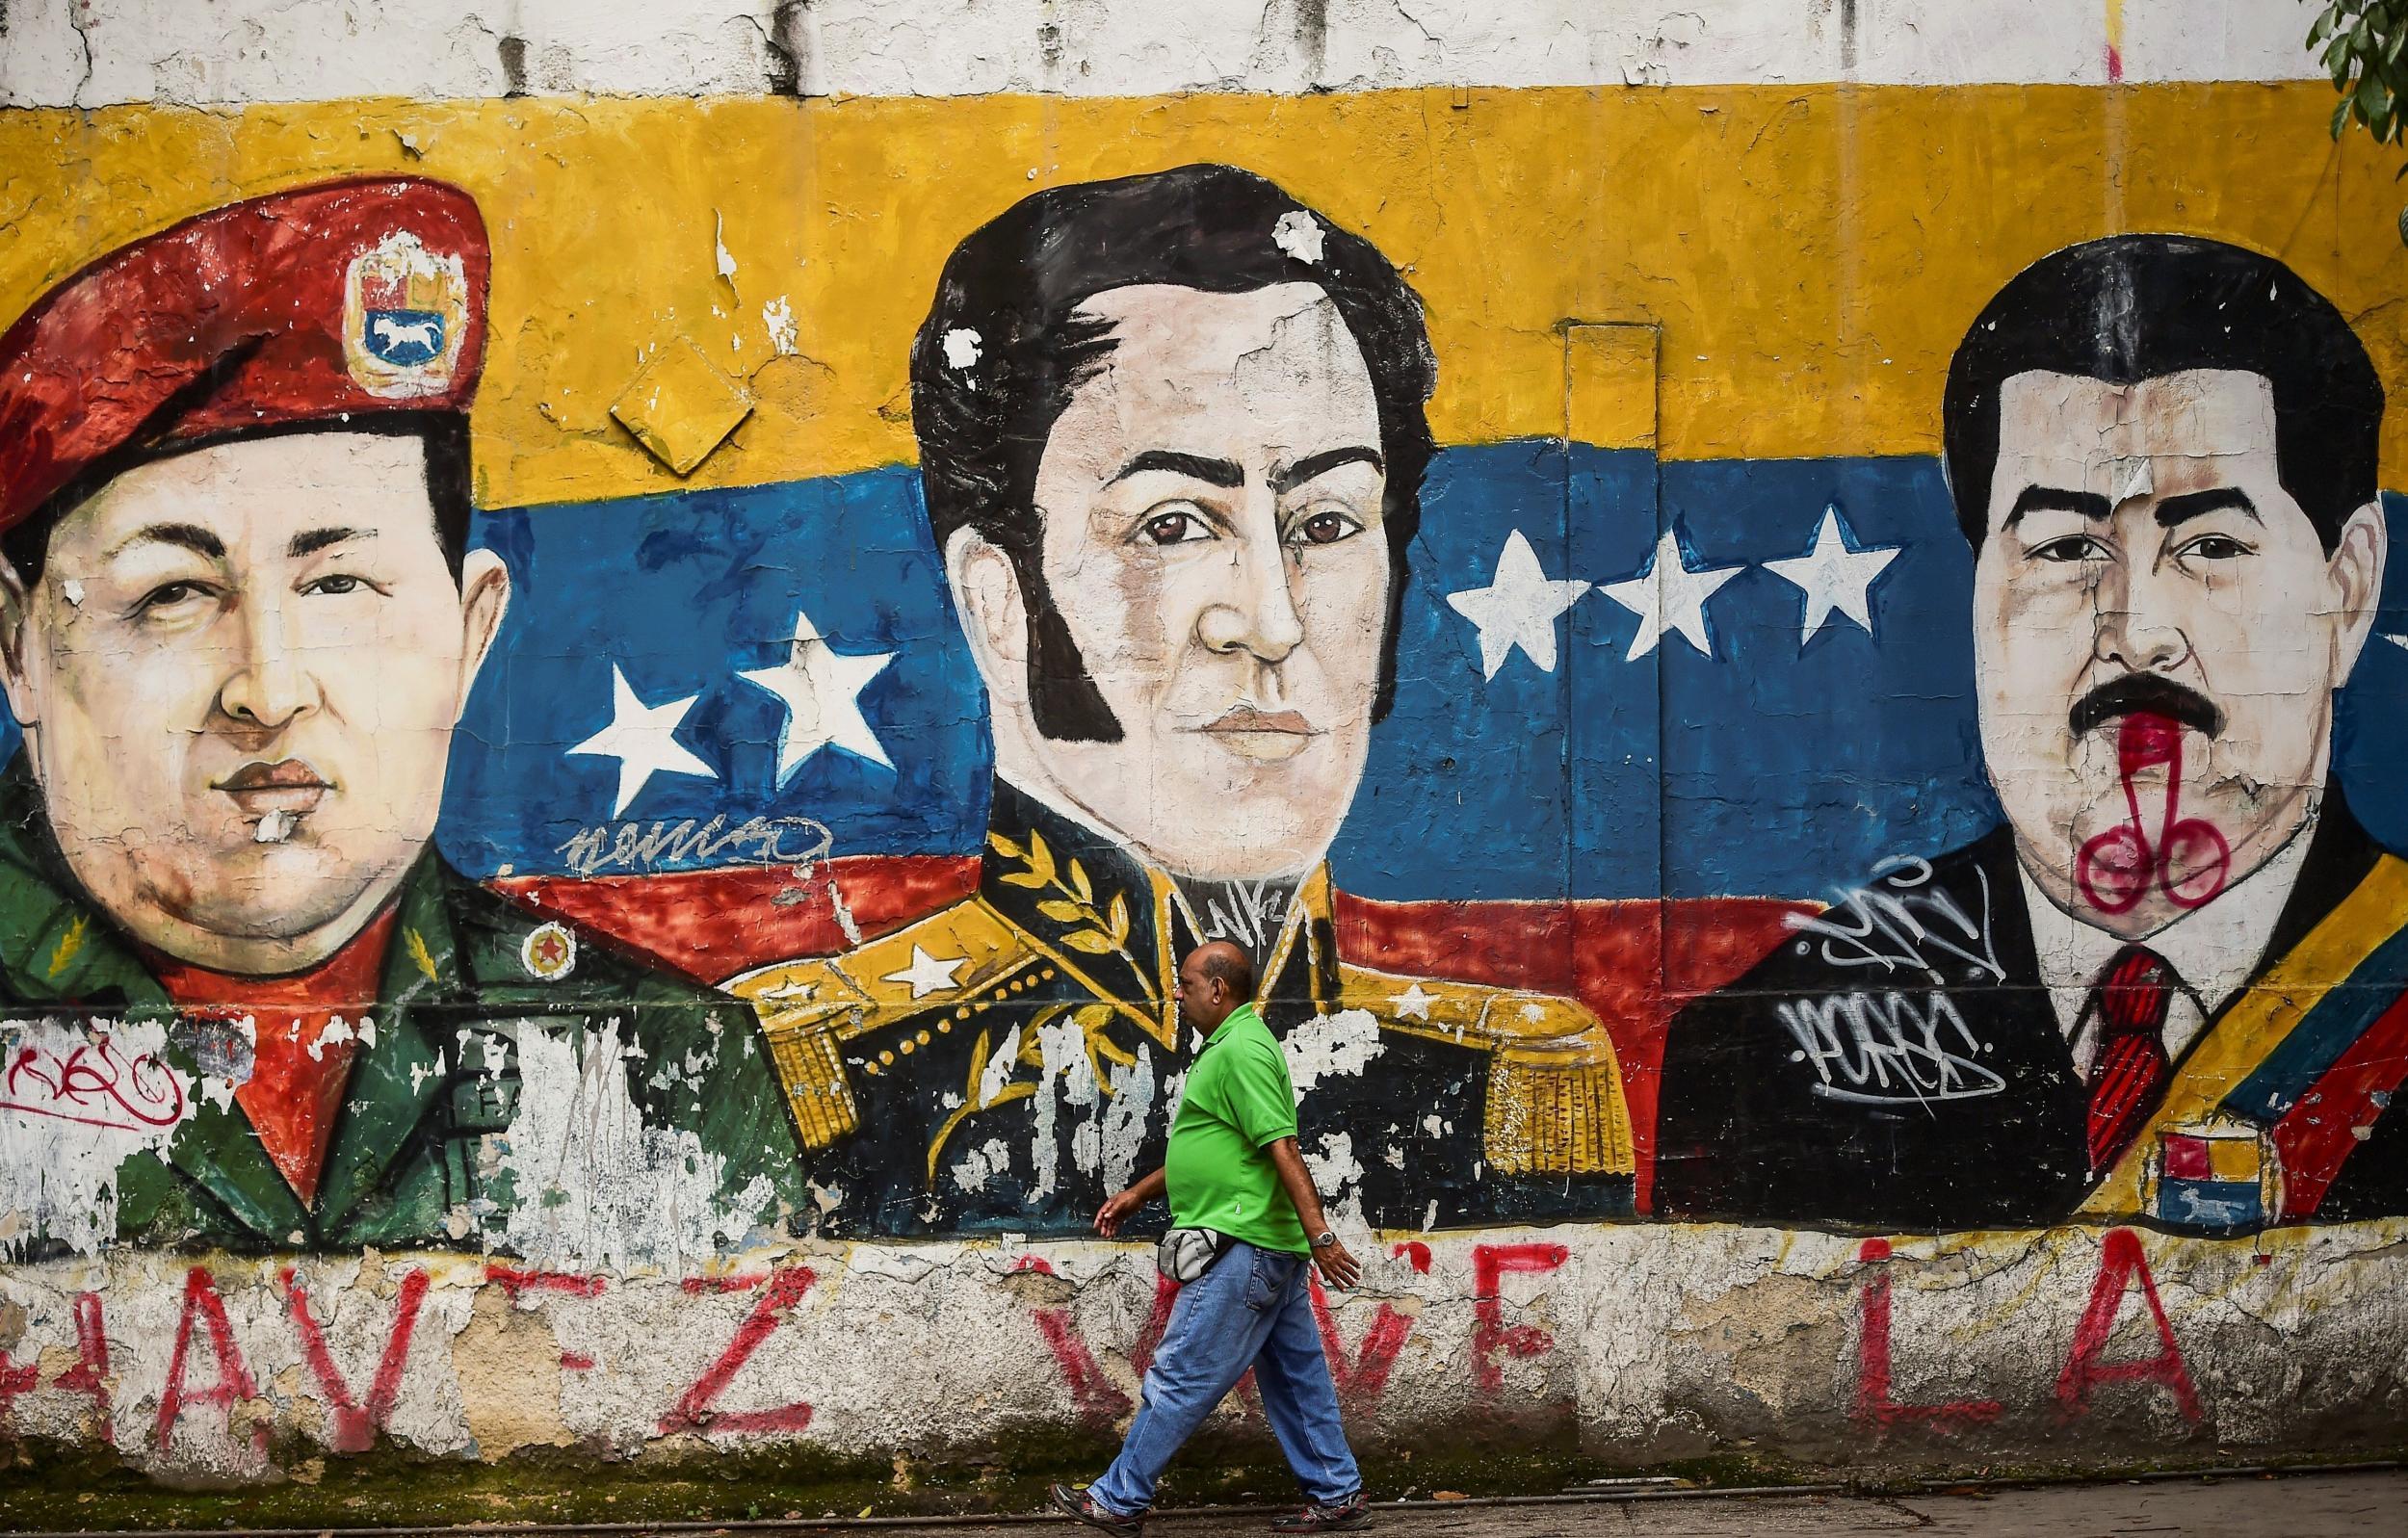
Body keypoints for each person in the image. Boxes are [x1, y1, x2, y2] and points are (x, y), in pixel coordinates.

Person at [729, 164, 1634, 1238]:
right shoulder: (830, 1074)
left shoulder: (1506, 1079)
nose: (1270, 620)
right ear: (996, 597)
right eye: (1172, 524)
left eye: (1330, 522)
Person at [0, 178, 806, 1257]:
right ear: (19, 651)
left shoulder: (657, 1060)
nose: (267, 689)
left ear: (470, 633)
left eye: (339, 585)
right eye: (173, 594)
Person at [1654, 235, 2408, 1232]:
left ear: (2345, 589)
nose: (2136, 633)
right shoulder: (1761, 1055)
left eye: (2210, 545)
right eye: (2064, 547)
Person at [1051, 941, 1369, 1536]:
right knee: (1297, 1378)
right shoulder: (1229, 1048)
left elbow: (1282, 1145)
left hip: (1242, 1245)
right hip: (1263, 1245)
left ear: (1219, 990)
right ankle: (1337, 1491)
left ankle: (1118, 1500)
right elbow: (1217, 1144)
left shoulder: (1242, 1050)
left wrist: (1322, 1238)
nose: (1178, 991)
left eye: (1187, 983)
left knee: (1180, 1371)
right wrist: (1141, 1193)